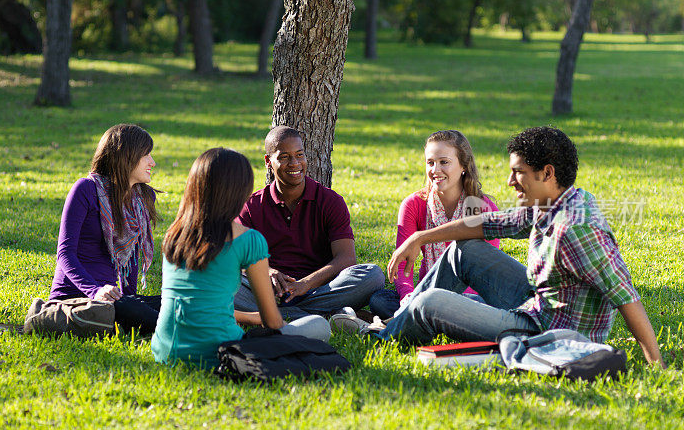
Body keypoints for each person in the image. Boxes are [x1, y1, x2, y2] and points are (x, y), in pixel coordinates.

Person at [335, 127, 665, 366]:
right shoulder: (554, 201)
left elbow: (625, 295)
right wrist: (420, 237)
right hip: (538, 305)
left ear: (547, 173)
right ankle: (395, 322)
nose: (509, 181)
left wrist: (656, 365)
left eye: (518, 173)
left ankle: (379, 337)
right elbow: (490, 223)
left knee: (430, 302)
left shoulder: (575, 229)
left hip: (549, 333)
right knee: (463, 249)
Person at [151, 148, 330, 368]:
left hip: (164, 350)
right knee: (319, 325)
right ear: (240, 191)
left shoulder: (174, 233)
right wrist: (280, 327)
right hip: (219, 354)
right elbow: (272, 322)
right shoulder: (248, 240)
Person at [233, 126, 385, 322]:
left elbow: (347, 258)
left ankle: (283, 315)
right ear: (268, 162)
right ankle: (326, 314)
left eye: (299, 155)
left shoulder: (330, 201)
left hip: (319, 289)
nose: (294, 163)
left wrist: (305, 284)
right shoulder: (252, 206)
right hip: (267, 292)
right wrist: (267, 272)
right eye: (284, 157)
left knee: (373, 275)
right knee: (218, 280)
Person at [367, 130, 499, 319]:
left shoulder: (482, 208)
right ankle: (427, 317)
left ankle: (419, 319)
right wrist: (407, 296)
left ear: (463, 165)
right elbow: (403, 266)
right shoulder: (413, 204)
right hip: (426, 294)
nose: (435, 170)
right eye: (430, 162)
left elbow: (484, 271)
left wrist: (448, 302)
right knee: (380, 300)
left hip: (470, 298)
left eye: (444, 162)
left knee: (485, 306)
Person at [50, 123, 161, 335]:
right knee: (133, 308)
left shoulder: (142, 198)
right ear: (126, 156)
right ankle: (184, 332)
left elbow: (132, 258)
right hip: (76, 298)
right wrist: (95, 291)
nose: (152, 162)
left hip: (113, 300)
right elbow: (65, 254)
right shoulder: (86, 189)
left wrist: (131, 301)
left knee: (176, 302)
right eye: (146, 155)